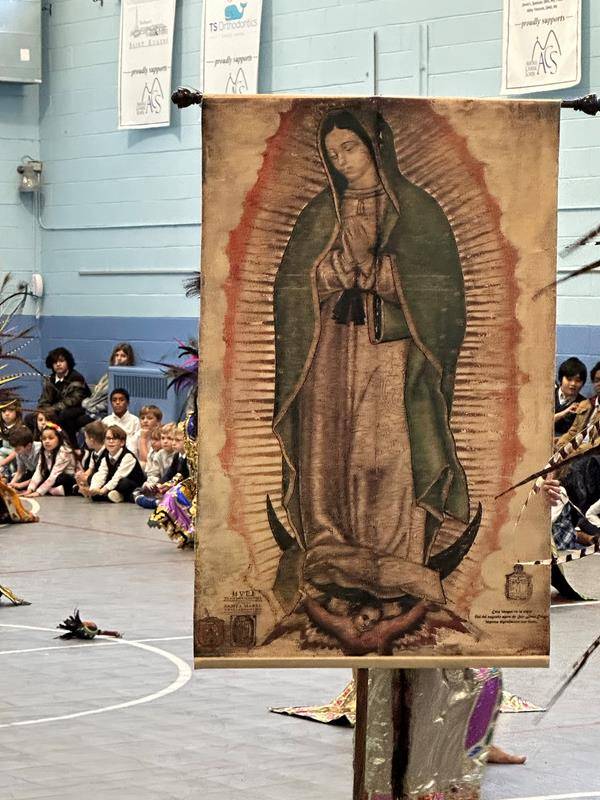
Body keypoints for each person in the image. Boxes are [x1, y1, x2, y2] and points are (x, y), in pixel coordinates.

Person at [269, 107, 478, 649]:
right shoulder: (321, 213)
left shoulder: (418, 213)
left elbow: (445, 298)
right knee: (331, 454)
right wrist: (331, 274)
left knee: (386, 455)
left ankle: (396, 560)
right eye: (333, 153)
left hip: (392, 358)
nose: (342, 161)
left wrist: (386, 278)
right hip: (331, 355)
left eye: (351, 149)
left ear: (376, 146)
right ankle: (332, 550)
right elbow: (293, 286)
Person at [37, 348, 91, 442]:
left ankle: (70, 445)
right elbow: (44, 399)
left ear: (68, 362)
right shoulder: (50, 379)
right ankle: (38, 445)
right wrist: (42, 411)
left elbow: (72, 400)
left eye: (61, 361)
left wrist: (51, 410)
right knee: (31, 417)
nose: (58, 364)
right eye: (55, 362)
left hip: (78, 408)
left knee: (64, 414)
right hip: (56, 409)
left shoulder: (76, 377)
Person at [89, 425, 145, 503]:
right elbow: (101, 474)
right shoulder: (106, 457)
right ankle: (114, 495)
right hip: (114, 484)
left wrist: (102, 491)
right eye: (108, 438)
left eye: (114, 438)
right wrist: (93, 489)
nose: (111, 441)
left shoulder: (128, 456)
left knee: (123, 483)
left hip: (132, 485)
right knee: (94, 485)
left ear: (122, 442)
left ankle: (123, 496)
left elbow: (118, 476)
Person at [81, 342, 136, 422]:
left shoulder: (126, 378)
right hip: (92, 405)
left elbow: (111, 402)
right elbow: (97, 393)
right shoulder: (108, 374)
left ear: (129, 358)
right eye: (116, 355)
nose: (119, 358)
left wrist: (93, 407)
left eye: (123, 356)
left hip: (104, 411)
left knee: (79, 420)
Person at [22, 423, 76, 497]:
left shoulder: (64, 451)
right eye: (44, 439)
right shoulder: (44, 451)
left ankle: (56, 490)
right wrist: (30, 489)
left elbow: (54, 474)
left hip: (67, 479)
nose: (47, 441)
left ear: (59, 438)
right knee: (41, 475)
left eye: (51, 438)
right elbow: (39, 470)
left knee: (61, 478)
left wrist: (38, 492)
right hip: (53, 478)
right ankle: (51, 490)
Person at [556, 360, 600, 450]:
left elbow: (595, 444)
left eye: (578, 381)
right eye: (597, 380)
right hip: (566, 449)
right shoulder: (586, 405)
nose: (573, 384)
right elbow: (572, 432)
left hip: (586, 455)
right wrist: (560, 446)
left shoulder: (581, 402)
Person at [554, 357, 587, 438]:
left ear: (583, 383)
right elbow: (542, 423)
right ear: (561, 379)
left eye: (578, 381)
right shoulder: (548, 396)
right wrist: (565, 412)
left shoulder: (584, 404)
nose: (573, 384)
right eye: (569, 379)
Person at [74, 421, 106, 497]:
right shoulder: (94, 453)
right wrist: (82, 476)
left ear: (91, 440)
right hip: (96, 478)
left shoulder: (106, 453)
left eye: (86, 438)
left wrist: (86, 479)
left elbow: (103, 474)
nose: (85, 440)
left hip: (104, 478)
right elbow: (90, 469)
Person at [7, 427, 41, 492]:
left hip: (44, 473)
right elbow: (20, 471)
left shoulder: (39, 450)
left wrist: (22, 484)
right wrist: (11, 485)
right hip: (32, 472)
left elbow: (42, 474)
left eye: (18, 449)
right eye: (15, 448)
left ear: (28, 446)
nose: (16, 451)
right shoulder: (19, 453)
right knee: (14, 480)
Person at [0, 401, 22, 479]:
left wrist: (4, 462)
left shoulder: (21, 428)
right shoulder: (2, 427)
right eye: (3, 411)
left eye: (11, 410)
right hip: (4, 455)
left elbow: (17, 451)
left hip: (17, 459)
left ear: (17, 411)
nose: (7, 413)